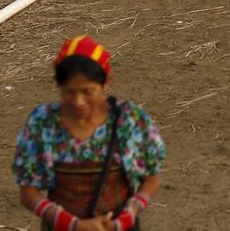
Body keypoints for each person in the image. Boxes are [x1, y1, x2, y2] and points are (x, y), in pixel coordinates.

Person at [13, 36, 164, 231]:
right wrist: (74, 225)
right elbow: (28, 193)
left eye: (88, 92)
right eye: (69, 92)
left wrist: (126, 218)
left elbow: (152, 179)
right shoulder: (43, 123)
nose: (78, 102)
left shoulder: (129, 120)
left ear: (106, 82)